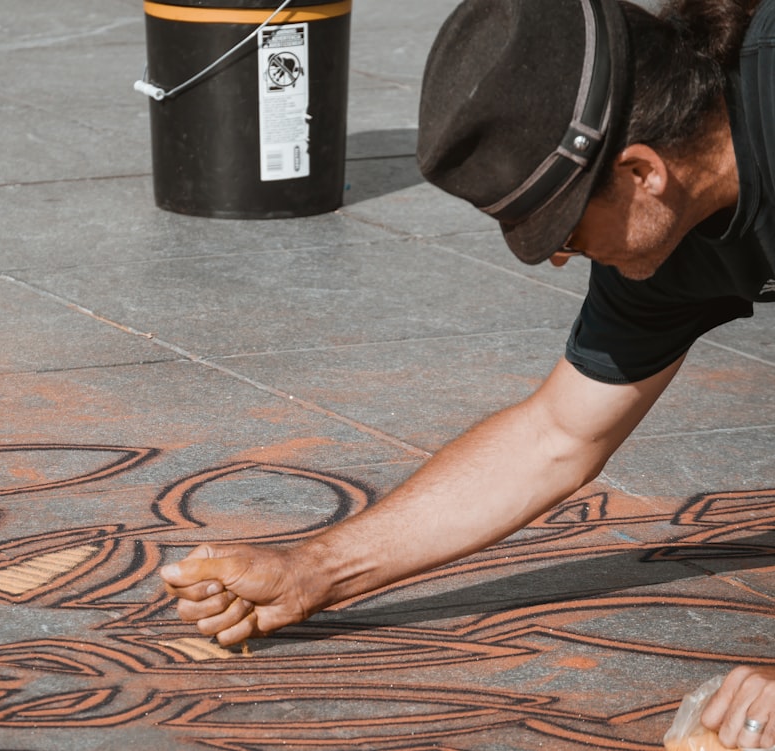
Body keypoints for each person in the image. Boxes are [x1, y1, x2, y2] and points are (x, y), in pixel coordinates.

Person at [161, 0, 775, 744]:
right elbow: (556, 436)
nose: (559, 257)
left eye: (566, 230)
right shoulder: (666, 232)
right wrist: (314, 569)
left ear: (641, 171)